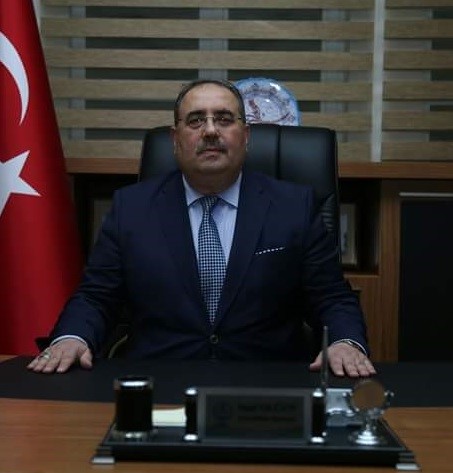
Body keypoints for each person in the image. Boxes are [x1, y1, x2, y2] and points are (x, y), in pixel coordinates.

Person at [28, 79, 376, 377]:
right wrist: (72, 338)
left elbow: (331, 297)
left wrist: (345, 342)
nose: (210, 131)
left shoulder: (293, 207)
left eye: (224, 119)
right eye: (196, 121)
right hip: (159, 380)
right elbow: (96, 296)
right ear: (175, 138)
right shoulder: (131, 209)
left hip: (267, 385)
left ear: (246, 135)